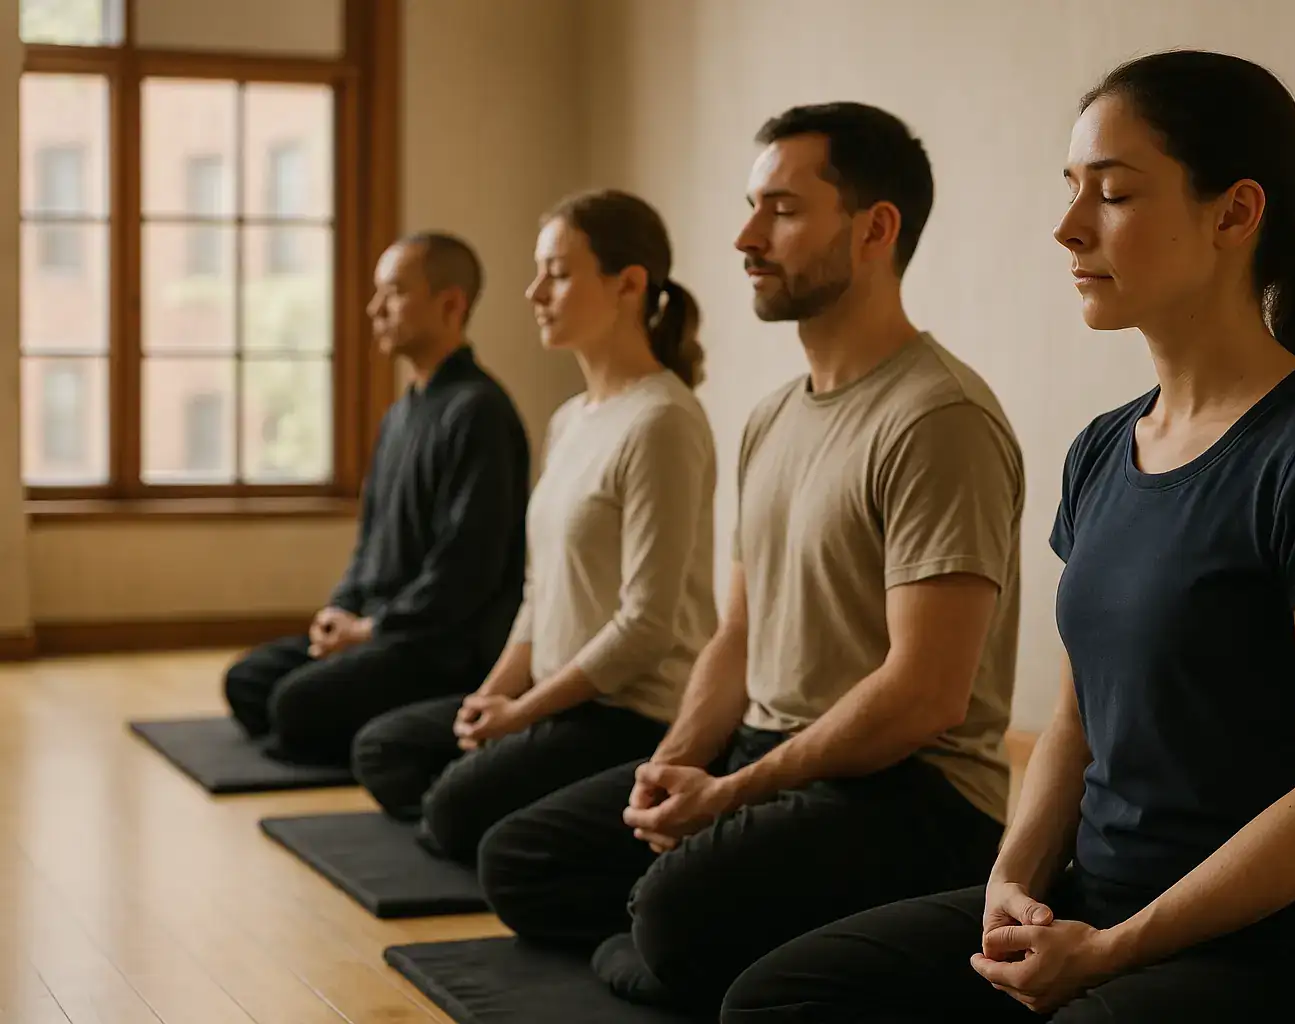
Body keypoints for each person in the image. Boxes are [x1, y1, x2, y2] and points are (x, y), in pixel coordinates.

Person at [720, 50, 1295, 1024]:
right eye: (1069, 190)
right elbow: (1076, 724)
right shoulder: (1103, 449)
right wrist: (1009, 882)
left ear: (1233, 213)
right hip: (1092, 907)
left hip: (1276, 953)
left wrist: (1107, 954)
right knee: (777, 1000)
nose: (1068, 226)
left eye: (1114, 194)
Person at [476, 102, 1025, 1013]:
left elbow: (927, 694)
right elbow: (736, 629)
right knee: (518, 859)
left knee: (667, 915)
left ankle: (706, 945)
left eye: (781, 209)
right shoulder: (771, 416)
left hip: (911, 793)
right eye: (750, 206)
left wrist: (731, 794)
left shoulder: (940, 419)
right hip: (768, 752)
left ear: (875, 228)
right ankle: (716, 942)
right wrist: (680, 760)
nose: (744, 236)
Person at [349, 191, 719, 864]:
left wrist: (523, 715)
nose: (532, 291)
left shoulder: (662, 420)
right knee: (385, 747)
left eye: (557, 271)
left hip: (626, 711)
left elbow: (647, 628)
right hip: (552, 698)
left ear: (628, 285)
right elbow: (537, 590)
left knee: (454, 811)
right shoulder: (570, 418)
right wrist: (494, 695)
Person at [223, 233, 530, 766]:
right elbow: (370, 540)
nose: (374, 309)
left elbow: (466, 570)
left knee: (294, 704)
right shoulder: (400, 414)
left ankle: (391, 727)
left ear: (450, 303)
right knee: (246, 680)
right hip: (373, 631)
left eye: (392, 293)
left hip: (436, 646)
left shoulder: (479, 412)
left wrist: (371, 630)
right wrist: (339, 609)